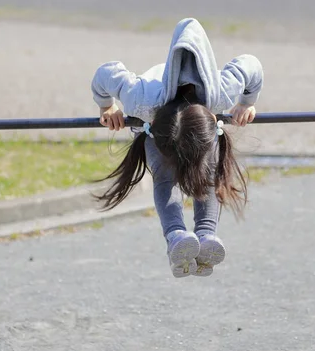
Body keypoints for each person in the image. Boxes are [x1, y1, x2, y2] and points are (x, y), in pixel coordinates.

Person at [90, 18, 263, 278]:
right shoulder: (141, 100)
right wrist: (107, 106)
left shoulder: (220, 93)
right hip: (156, 125)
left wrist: (247, 101)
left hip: (198, 123)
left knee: (207, 173)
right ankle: (176, 237)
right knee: (165, 176)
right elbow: (105, 73)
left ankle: (206, 235)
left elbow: (252, 65)